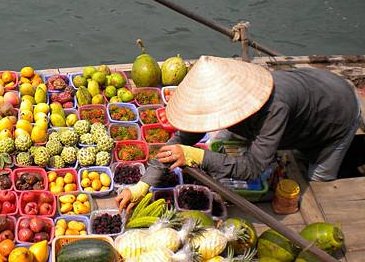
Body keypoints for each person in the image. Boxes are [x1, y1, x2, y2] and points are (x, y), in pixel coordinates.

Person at [117, 55, 362, 214]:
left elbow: (254, 167)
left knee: (317, 180)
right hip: (310, 97)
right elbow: (181, 140)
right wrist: (142, 185)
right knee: (229, 143)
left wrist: (197, 156)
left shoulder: (274, 108)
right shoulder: (233, 102)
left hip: (336, 116)